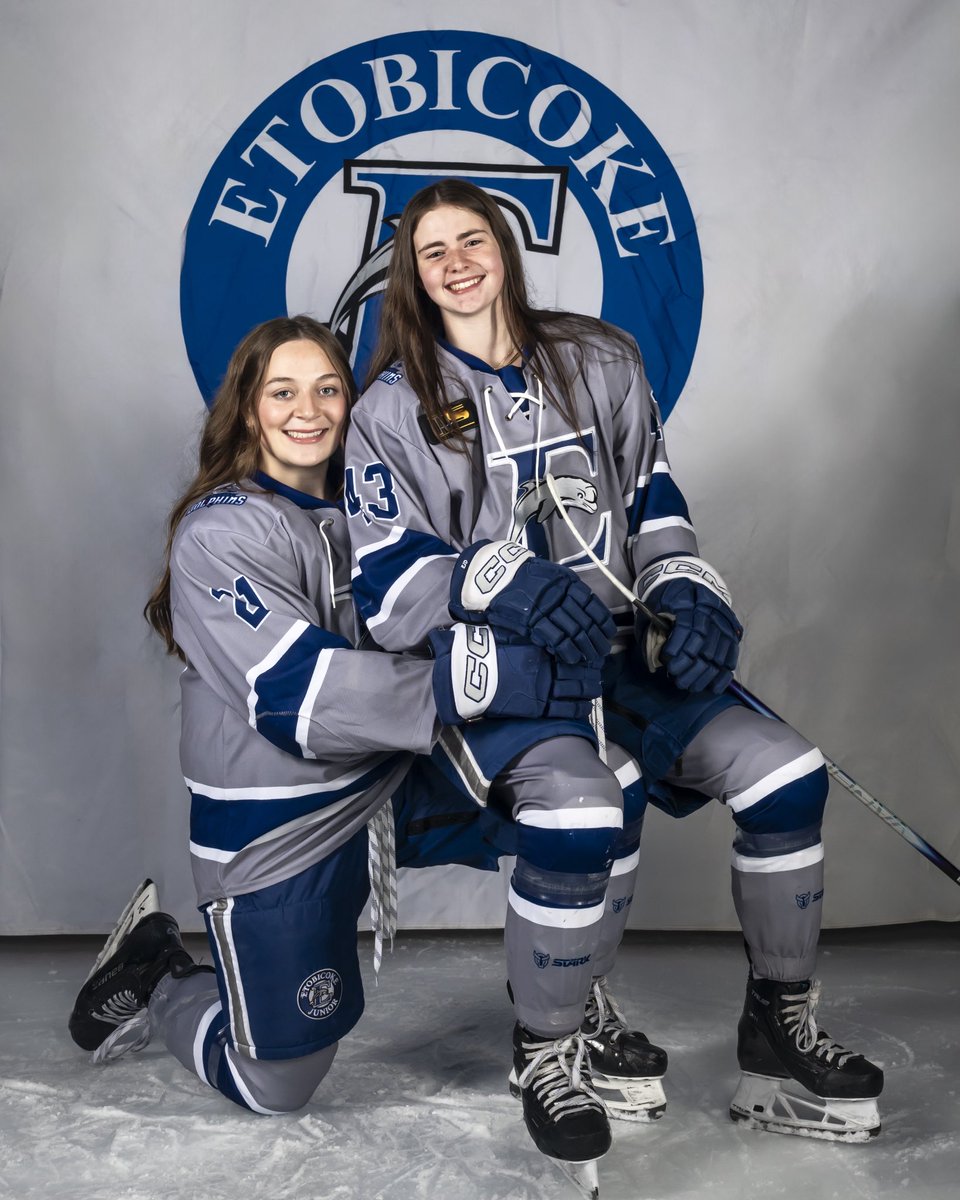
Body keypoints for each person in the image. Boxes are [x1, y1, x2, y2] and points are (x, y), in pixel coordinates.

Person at [345, 178, 885, 1147]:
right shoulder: (392, 408)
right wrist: (499, 584)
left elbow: (652, 498)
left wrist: (686, 588)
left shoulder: (599, 358)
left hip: (621, 653)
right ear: (412, 275)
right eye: (434, 252)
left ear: (506, 247)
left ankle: (777, 1025)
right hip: (514, 680)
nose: (458, 263)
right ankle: (550, 1046)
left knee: (787, 776)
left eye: (474, 240)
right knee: (593, 802)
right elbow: (386, 590)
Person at [68, 315, 617, 1143]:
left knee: (589, 779)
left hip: (394, 774)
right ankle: (158, 975)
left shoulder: (377, 505)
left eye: (328, 389)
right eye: (282, 391)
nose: (309, 410)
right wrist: (499, 675)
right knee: (277, 1083)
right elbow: (300, 696)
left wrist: (577, 629)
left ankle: (562, 1025)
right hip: (283, 820)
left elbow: (444, 604)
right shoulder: (222, 530)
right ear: (247, 409)